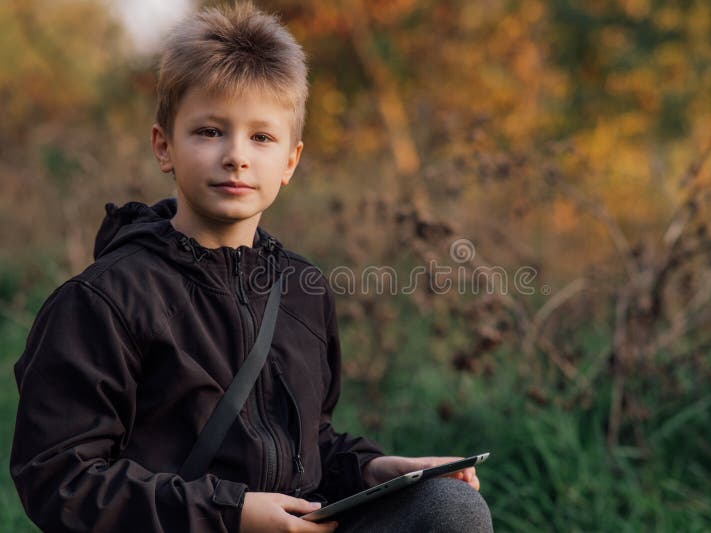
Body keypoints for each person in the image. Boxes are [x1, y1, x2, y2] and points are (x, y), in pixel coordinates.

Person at [9, 2, 493, 532]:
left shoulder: (302, 289)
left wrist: (376, 469)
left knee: (450, 508)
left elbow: (308, 449)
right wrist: (232, 514)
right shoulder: (105, 301)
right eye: (210, 131)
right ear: (163, 146)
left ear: (290, 161)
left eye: (261, 137)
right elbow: (59, 479)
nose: (237, 155)